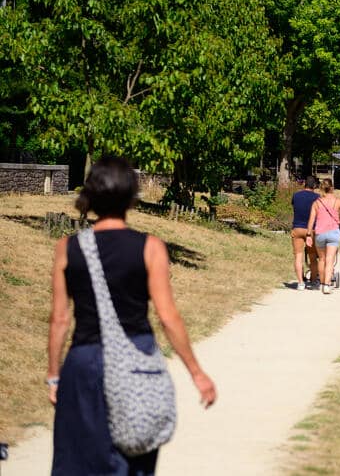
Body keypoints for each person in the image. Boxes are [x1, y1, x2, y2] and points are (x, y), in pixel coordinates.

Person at [47, 156, 216, 475]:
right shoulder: (150, 247)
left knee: (79, 463)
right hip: (136, 360)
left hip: (84, 365)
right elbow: (167, 316)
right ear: (131, 198)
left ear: (91, 197)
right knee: (132, 456)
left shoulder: (67, 247)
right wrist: (196, 373)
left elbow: (59, 319)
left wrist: (54, 375)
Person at [305, 177, 340, 295]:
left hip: (320, 233)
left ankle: (321, 283)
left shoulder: (317, 202)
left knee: (321, 259)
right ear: (332, 188)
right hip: (333, 232)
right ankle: (327, 285)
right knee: (330, 259)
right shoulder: (337, 201)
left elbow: (311, 221)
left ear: (321, 188)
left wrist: (308, 235)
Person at [290, 175, 320, 289]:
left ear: (304, 184)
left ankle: (300, 283)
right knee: (313, 256)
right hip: (311, 230)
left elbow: (294, 206)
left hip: (297, 228)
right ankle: (313, 280)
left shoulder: (296, 195)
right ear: (315, 186)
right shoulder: (317, 197)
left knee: (298, 256)